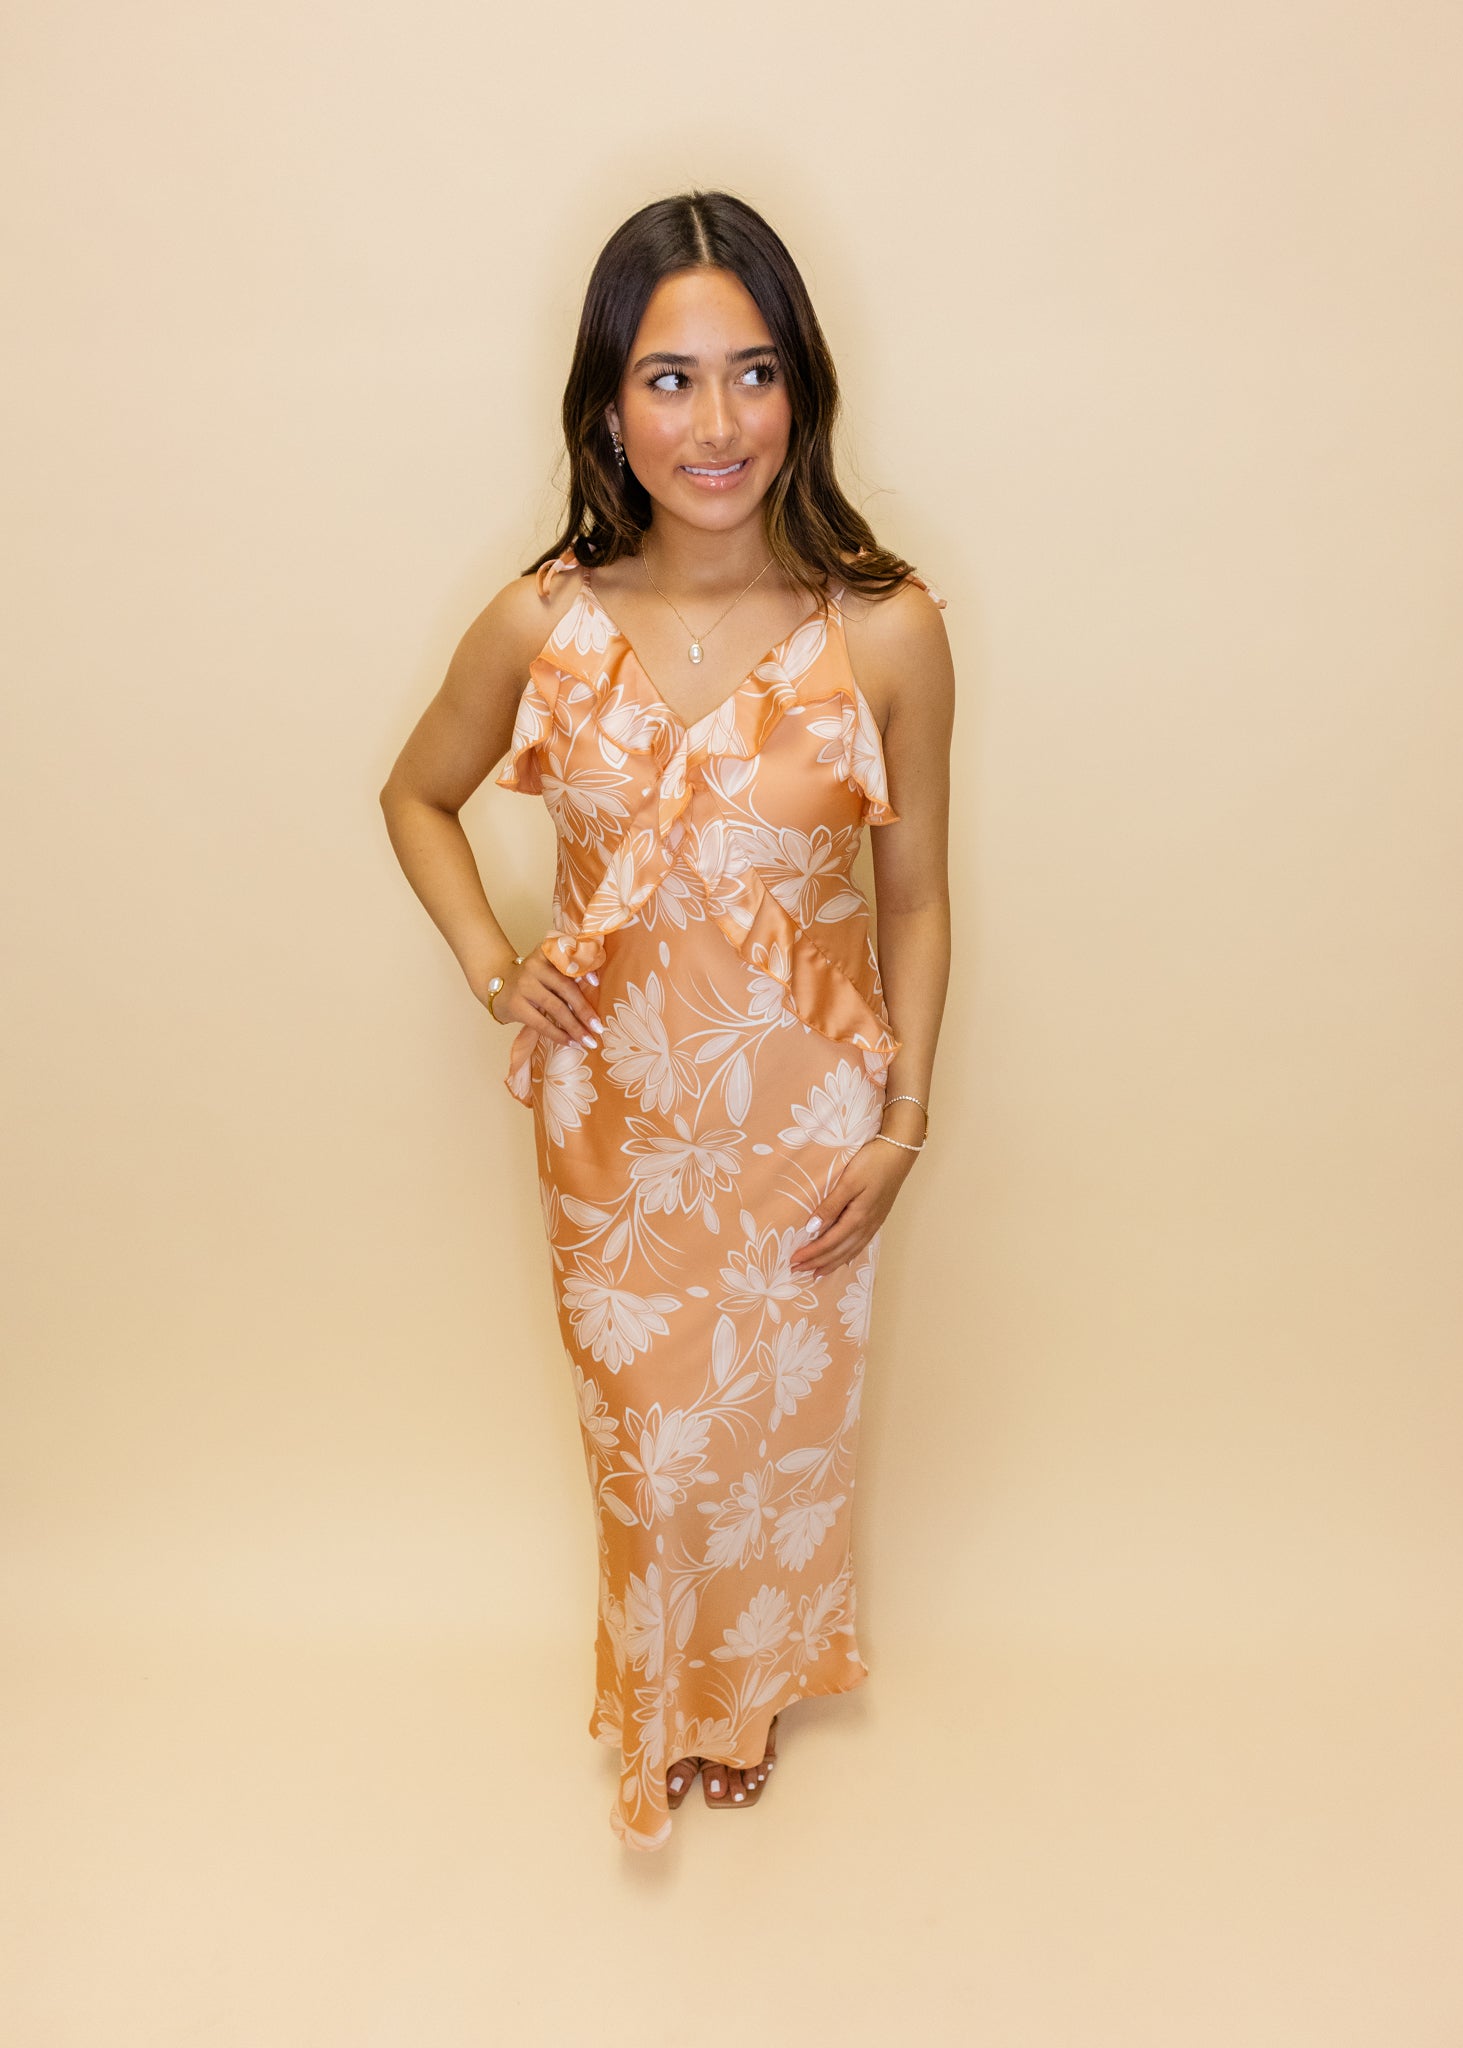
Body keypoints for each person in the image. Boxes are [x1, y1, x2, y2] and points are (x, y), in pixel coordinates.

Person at [379, 189, 954, 1849]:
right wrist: (499, 966)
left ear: (802, 388)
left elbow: (917, 900)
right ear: (609, 403)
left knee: (772, 1438)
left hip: (805, 1127)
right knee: (646, 1442)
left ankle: (744, 1690)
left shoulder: (885, 629)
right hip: (613, 1132)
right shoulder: (542, 621)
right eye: (672, 377)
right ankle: (661, 1699)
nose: (718, 424)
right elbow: (416, 796)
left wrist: (905, 1124)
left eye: (754, 372)